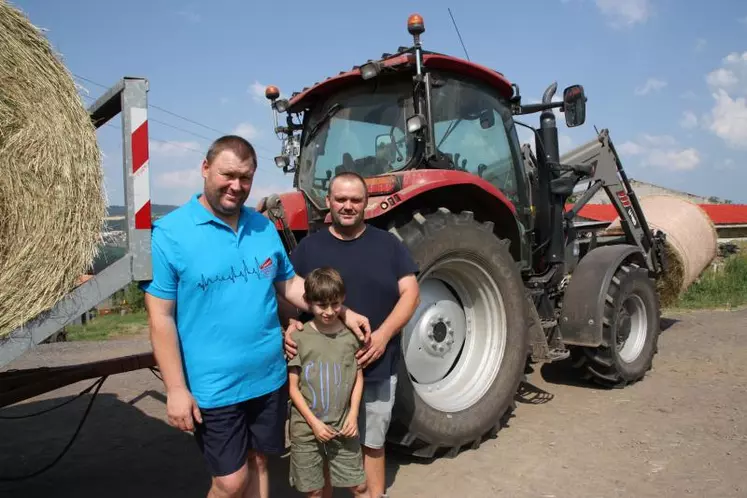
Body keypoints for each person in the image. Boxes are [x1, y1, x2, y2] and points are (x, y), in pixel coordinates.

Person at [140, 136, 370, 498]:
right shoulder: (171, 233)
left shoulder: (262, 227)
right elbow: (161, 318)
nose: (236, 186)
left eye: (245, 178)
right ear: (205, 168)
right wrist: (176, 389)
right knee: (229, 482)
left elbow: (290, 285)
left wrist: (344, 311)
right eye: (227, 174)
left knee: (261, 461)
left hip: (268, 377)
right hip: (214, 384)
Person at [282, 171, 420, 498]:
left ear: (366, 203)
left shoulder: (389, 245)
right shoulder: (308, 249)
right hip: (321, 374)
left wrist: (384, 335)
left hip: (375, 364)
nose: (347, 206)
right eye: (340, 199)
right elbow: (285, 293)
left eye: (355, 199)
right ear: (329, 202)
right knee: (325, 443)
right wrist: (289, 323)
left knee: (372, 442)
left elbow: (411, 293)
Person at [287, 267, 370, 498]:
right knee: (314, 491)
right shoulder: (298, 337)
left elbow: (357, 379)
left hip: (343, 426)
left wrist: (353, 415)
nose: (329, 311)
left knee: (359, 486)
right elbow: (293, 388)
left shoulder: (351, 337)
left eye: (335, 304)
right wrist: (314, 424)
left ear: (342, 300)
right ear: (308, 302)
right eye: (322, 305)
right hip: (306, 429)